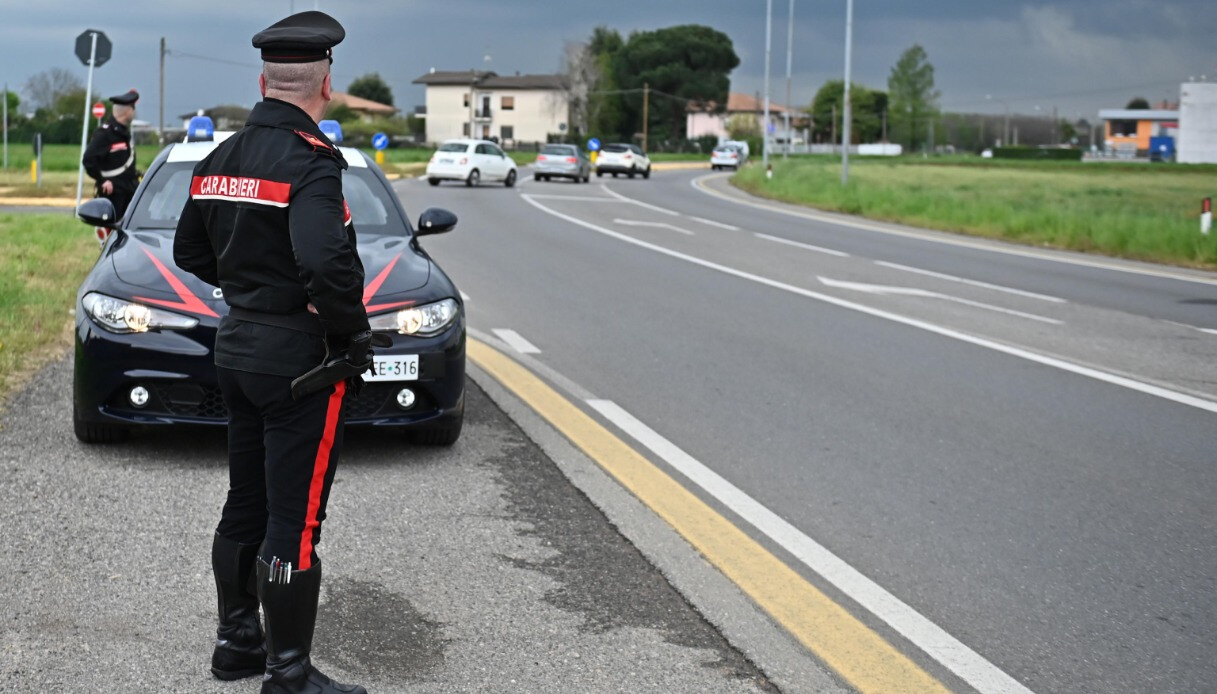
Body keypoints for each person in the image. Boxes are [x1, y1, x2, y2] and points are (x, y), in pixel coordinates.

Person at [173, 11, 371, 694]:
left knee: (244, 505)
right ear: (325, 83)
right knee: (296, 519)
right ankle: (288, 675)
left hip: (236, 350)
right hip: (300, 364)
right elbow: (325, 259)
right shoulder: (312, 163)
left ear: (264, 79)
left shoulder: (218, 157)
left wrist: (250, 290)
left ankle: (236, 645)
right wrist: (345, 325)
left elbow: (187, 251)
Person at [82, 89, 140, 219]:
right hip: (113, 196)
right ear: (128, 110)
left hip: (128, 191)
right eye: (133, 108)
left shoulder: (123, 133)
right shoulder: (105, 134)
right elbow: (88, 160)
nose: (134, 112)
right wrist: (102, 181)